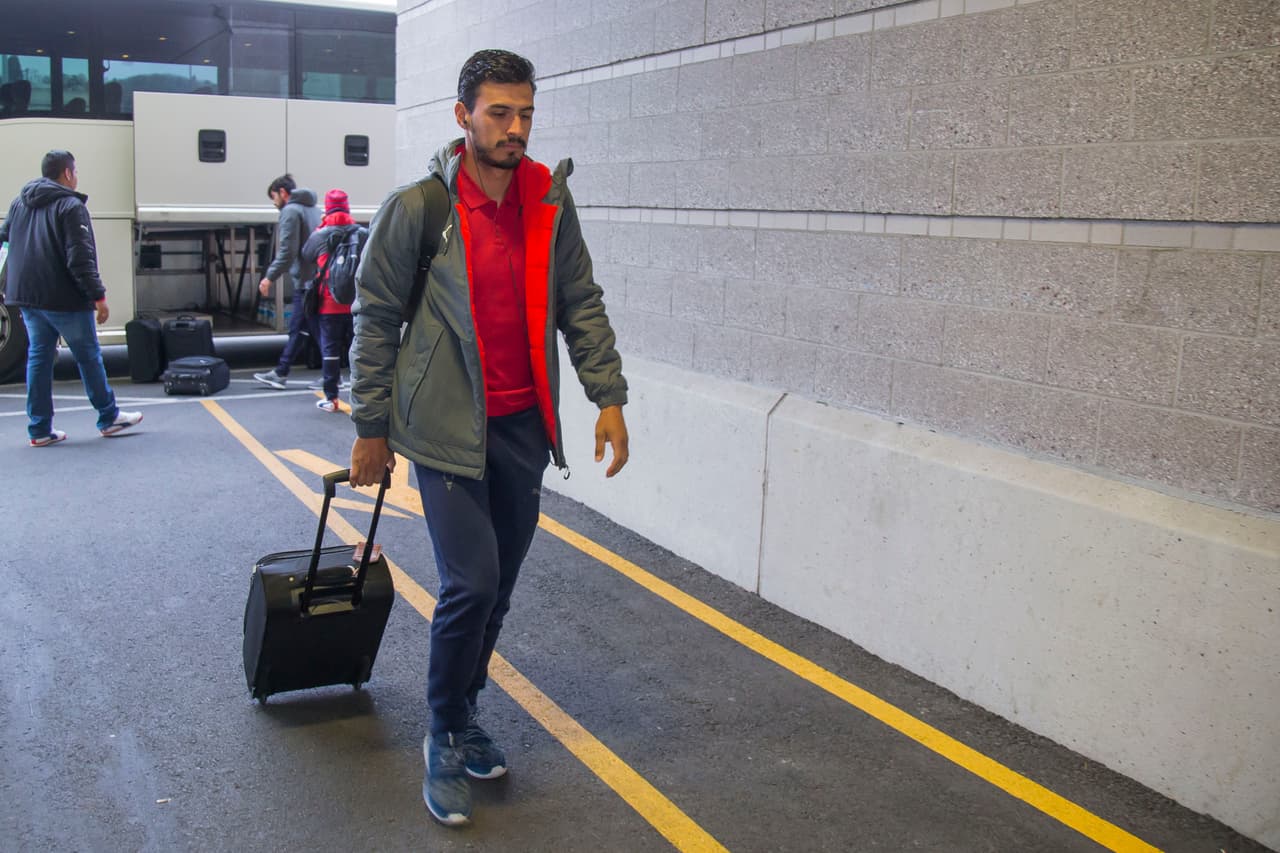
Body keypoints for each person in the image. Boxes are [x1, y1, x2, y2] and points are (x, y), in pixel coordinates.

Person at [347, 49, 630, 827]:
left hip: (522, 428)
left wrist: (607, 396)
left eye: (526, 113)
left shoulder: (548, 200)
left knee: (497, 588)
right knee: (470, 583)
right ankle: (442, 731)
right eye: (499, 112)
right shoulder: (421, 209)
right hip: (442, 429)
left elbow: (582, 301)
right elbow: (374, 321)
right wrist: (371, 426)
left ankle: (465, 711)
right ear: (462, 114)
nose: (515, 128)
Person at [0, 149, 142, 445]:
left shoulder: (19, 203)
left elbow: (5, 237)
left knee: (39, 357)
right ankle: (108, 416)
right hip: (63, 296)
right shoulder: (70, 206)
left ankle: (39, 429)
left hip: (26, 297)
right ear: (67, 173)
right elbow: (80, 258)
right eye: (75, 171)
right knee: (88, 356)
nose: (77, 177)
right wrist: (98, 296)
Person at [253, 174, 321, 389]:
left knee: (312, 330)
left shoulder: (290, 211)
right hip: (317, 278)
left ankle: (330, 377)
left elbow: (287, 251)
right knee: (304, 329)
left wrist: (269, 277)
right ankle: (281, 372)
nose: (274, 203)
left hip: (306, 281)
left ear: (283, 193)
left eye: (274, 198)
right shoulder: (313, 209)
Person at [299, 189, 357, 412]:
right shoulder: (359, 233)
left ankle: (331, 398)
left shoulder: (321, 234)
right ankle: (361, 399)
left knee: (330, 350)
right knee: (357, 350)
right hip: (354, 303)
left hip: (328, 301)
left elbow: (306, 254)